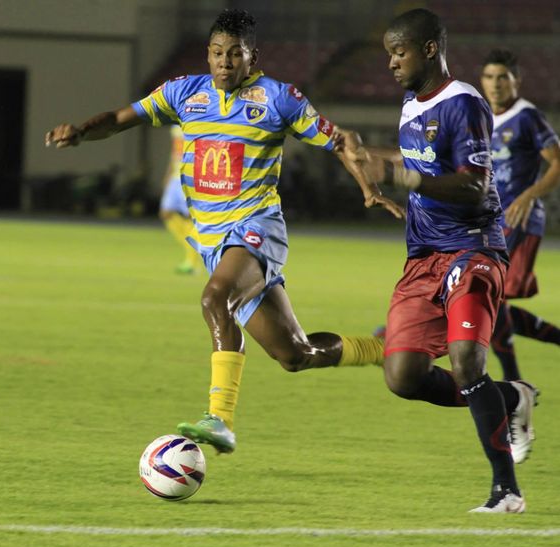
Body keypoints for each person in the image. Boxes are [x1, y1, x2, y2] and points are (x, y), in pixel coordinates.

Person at [47, 9, 402, 455]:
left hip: (256, 228)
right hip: (214, 242)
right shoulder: (183, 93)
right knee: (294, 354)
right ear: (208, 54)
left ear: (253, 56)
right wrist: (80, 130)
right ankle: (382, 347)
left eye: (235, 54)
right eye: (217, 53)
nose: (225, 62)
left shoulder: (280, 98)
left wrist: (368, 188)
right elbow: (121, 119)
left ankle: (220, 420)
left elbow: (341, 141)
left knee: (216, 298)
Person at [344, 9, 536, 513]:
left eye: (398, 52)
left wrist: (399, 176)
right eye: (388, 53)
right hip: (422, 257)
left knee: (466, 360)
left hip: (472, 248)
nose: (390, 62)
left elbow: (472, 185)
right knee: (402, 377)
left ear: (429, 49)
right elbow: (417, 159)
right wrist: (366, 153)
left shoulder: (464, 102)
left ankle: (506, 490)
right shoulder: (411, 103)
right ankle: (511, 398)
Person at [480, 49, 560, 383]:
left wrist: (530, 194)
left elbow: (557, 161)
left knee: (491, 297)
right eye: (489, 77)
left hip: (519, 219)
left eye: (503, 78)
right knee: (496, 302)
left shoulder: (527, 116)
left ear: (516, 81)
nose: (495, 85)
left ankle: (513, 380)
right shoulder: (482, 116)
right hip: (490, 220)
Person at [160, 124, 203, 274]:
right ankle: (191, 248)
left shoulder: (196, 123)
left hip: (189, 177)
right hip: (175, 178)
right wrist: (168, 174)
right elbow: (174, 154)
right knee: (165, 213)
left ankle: (192, 262)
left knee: (189, 217)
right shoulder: (175, 128)